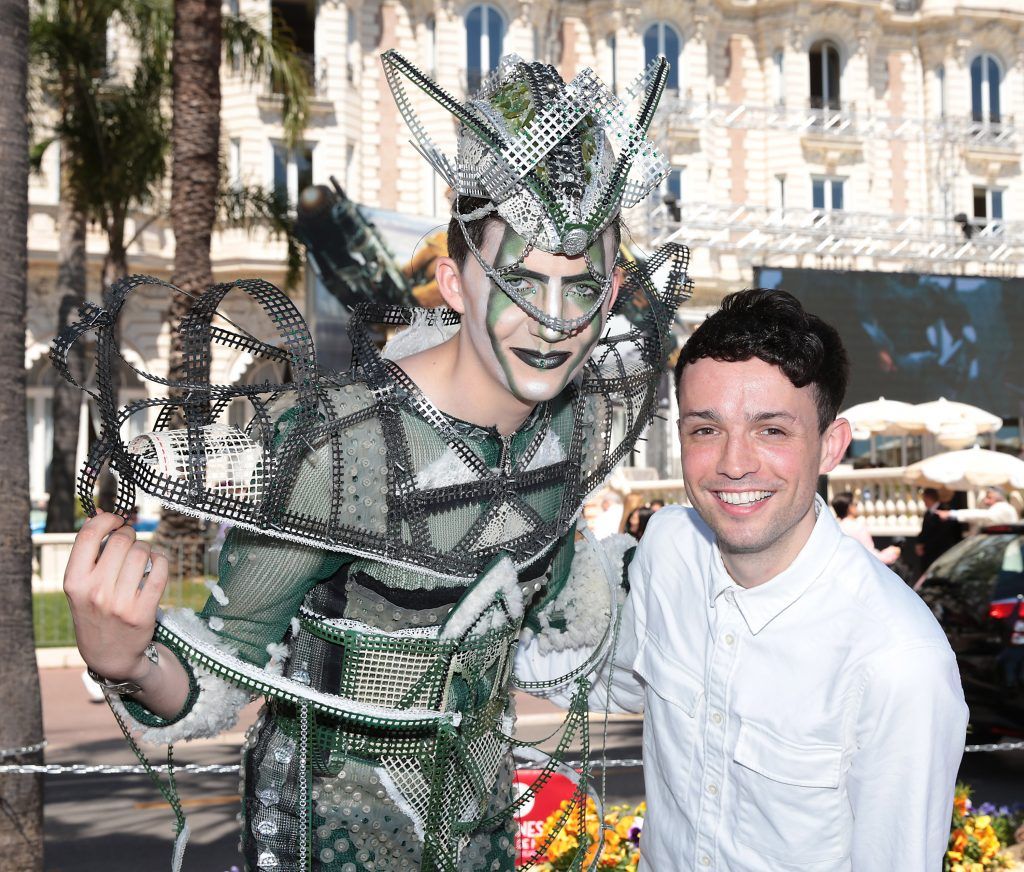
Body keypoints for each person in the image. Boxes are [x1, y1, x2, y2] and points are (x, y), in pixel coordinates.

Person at [55, 51, 688, 872]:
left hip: (485, 846)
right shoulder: (338, 450)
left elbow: (570, 630)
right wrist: (127, 663)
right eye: (522, 280)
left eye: (580, 287)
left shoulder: (575, 435)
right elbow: (221, 666)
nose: (552, 319)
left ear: (609, 298)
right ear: (456, 284)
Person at [523, 289, 968, 870]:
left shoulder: (899, 662)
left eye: (772, 431)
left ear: (830, 445)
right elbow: (628, 681)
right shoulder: (669, 548)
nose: (734, 463)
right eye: (706, 430)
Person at [830, 490, 901, 565]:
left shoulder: (834, 527)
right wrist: (892, 552)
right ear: (849, 508)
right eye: (855, 504)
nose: (857, 506)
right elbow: (870, 556)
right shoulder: (857, 527)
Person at [916, 487, 963, 574]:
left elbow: (944, 534)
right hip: (929, 553)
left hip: (941, 551)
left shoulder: (944, 511)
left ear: (928, 498)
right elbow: (924, 531)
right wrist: (920, 543)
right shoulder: (928, 513)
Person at [938, 485, 1019, 534]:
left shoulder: (1003, 508)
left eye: (989, 497)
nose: (985, 501)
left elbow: (981, 515)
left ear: (998, 497)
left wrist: (952, 514)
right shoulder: (1002, 507)